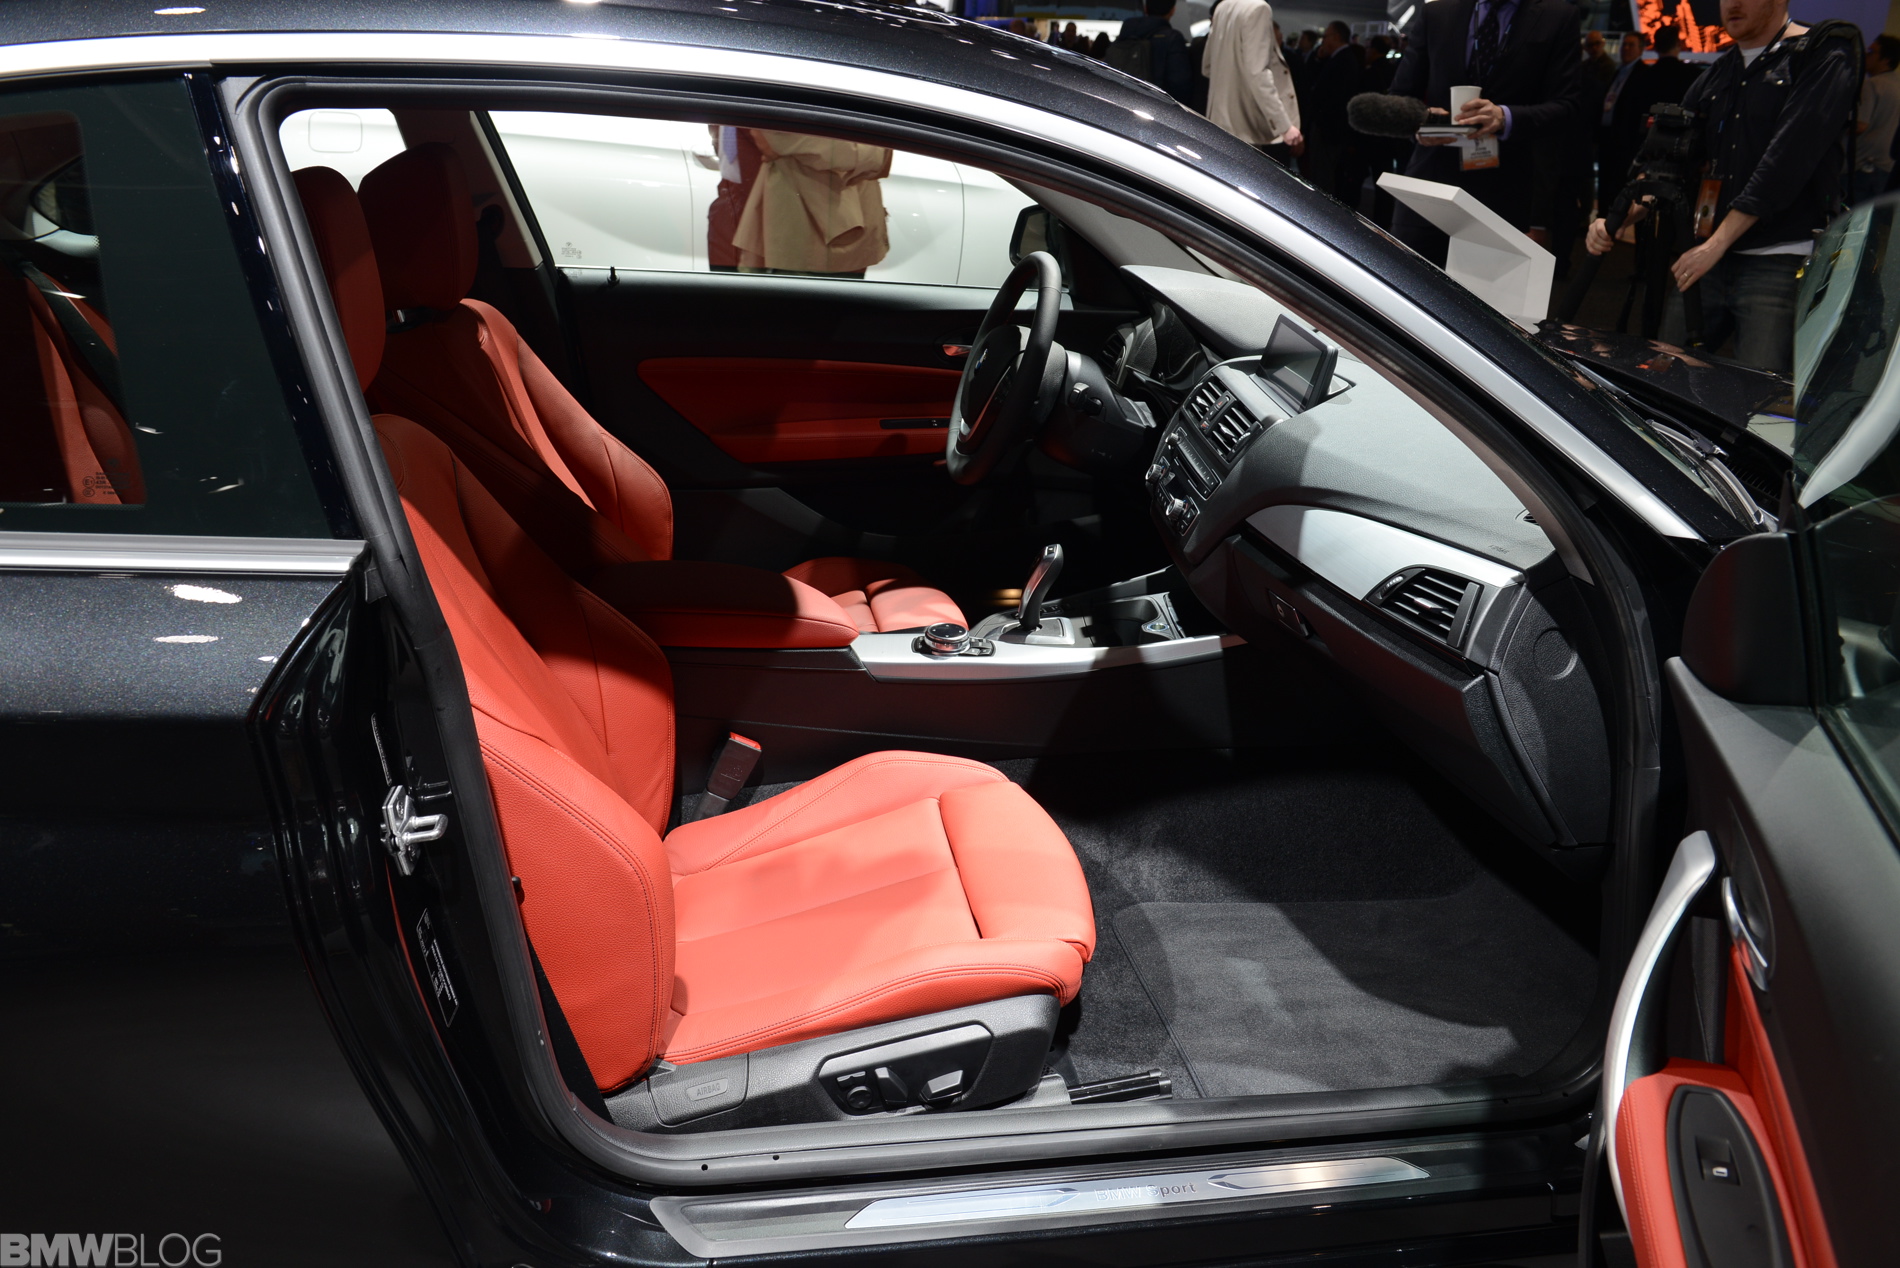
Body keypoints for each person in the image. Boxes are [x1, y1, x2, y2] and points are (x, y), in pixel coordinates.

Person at [1585, 0, 1860, 374]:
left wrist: (1715, 244)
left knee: (1759, 389)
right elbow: (1668, 161)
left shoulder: (1822, 52)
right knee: (1665, 375)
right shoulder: (1719, 72)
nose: (1732, 3)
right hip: (1708, 258)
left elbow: (1786, 161)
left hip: (1778, 258)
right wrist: (1618, 218)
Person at [1387, 0, 1586, 262]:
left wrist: (1505, 117)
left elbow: (1567, 106)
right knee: (1406, 281)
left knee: (1480, 287)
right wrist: (1421, 121)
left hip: (1504, 194)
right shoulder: (1438, 12)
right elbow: (1400, 96)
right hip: (1430, 189)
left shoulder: (1557, 16)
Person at [733, 131, 893, 277]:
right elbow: (782, 136)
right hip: (805, 228)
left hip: (848, 222)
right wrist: (876, 151)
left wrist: (877, 149)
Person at [1203, 0, 1304, 164]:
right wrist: (1284, 126)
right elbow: (1258, 73)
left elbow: (1207, 67)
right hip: (1244, 126)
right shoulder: (1258, 9)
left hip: (1218, 121)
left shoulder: (1223, 7)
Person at [1302, 21, 1364, 200]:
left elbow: (1334, 98)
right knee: (1320, 174)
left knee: (1323, 176)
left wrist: (1320, 122)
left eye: (1326, 36)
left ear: (1336, 37)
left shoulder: (1344, 60)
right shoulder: (1337, 58)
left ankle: (1320, 210)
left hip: (1329, 130)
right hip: (1328, 128)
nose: (1323, 41)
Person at [1112, 0, 1195, 104]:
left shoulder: (1126, 34)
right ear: (1172, 11)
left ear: (1145, 9)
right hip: (1156, 105)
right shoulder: (1172, 39)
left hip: (1121, 99)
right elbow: (1180, 82)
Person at [1854, 35, 1900, 204]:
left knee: (1849, 216)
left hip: (1862, 165)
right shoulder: (1897, 85)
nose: (1866, 56)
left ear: (1886, 59)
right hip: (1886, 167)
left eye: (1871, 52)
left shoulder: (1872, 85)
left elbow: (1860, 126)